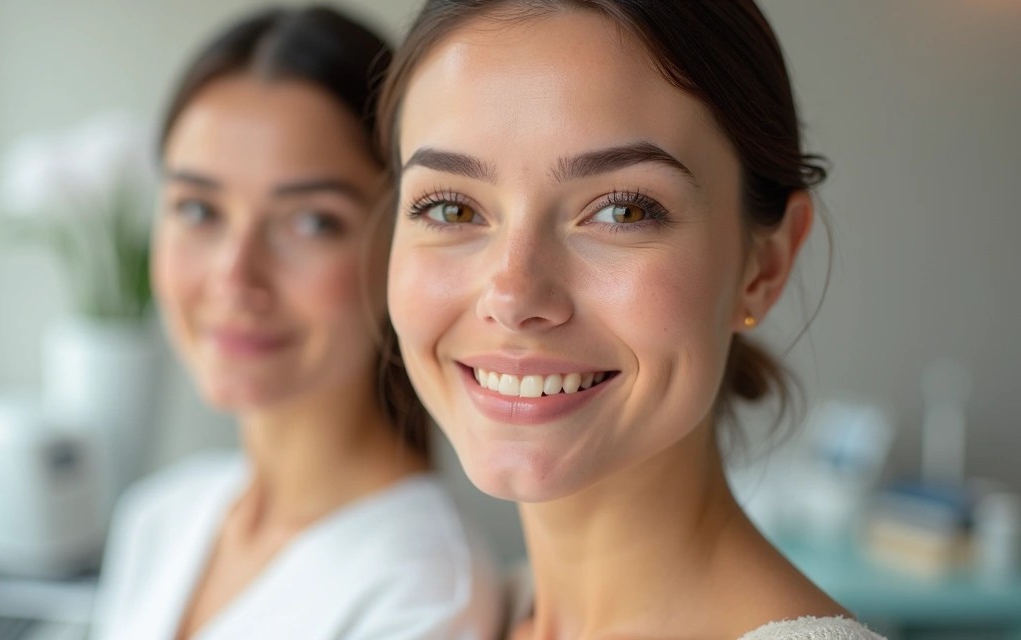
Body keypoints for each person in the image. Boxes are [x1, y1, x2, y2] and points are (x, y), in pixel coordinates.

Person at [378, 1, 885, 639]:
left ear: (765, 266)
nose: (512, 295)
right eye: (451, 209)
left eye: (622, 211)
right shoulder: (460, 614)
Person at [92, 7, 501, 640]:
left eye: (311, 222)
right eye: (198, 209)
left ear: (403, 240)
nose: (235, 276)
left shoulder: (420, 597)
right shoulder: (160, 518)